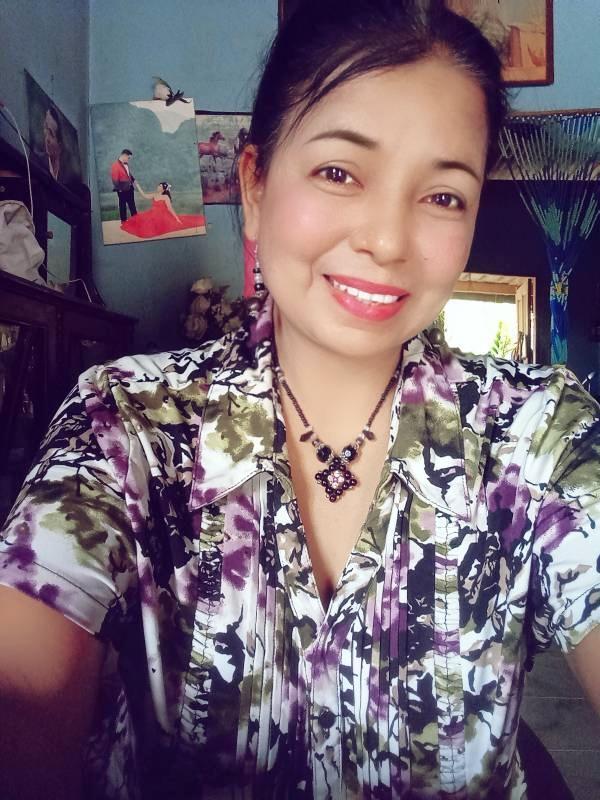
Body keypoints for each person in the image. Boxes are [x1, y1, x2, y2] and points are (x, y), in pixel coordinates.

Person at [1, 2, 599, 799]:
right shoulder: (127, 426)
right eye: (339, 172)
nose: (388, 240)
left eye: (444, 196)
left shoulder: (537, 434)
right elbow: (22, 690)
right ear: (254, 186)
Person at [120, 181, 205, 238]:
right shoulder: (154, 194)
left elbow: (170, 209)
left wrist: (177, 219)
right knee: (141, 222)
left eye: (160, 186)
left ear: (163, 189)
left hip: (163, 216)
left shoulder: (165, 197)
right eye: (158, 185)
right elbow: (144, 195)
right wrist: (137, 185)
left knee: (152, 228)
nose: (158, 186)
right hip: (152, 214)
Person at [110, 148, 140, 222]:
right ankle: (123, 221)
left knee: (132, 204)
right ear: (124, 155)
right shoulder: (115, 165)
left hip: (130, 187)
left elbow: (128, 173)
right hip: (122, 189)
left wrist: (134, 180)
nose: (128, 160)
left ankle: (136, 220)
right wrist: (119, 189)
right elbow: (115, 179)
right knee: (122, 205)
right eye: (128, 158)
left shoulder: (126, 164)